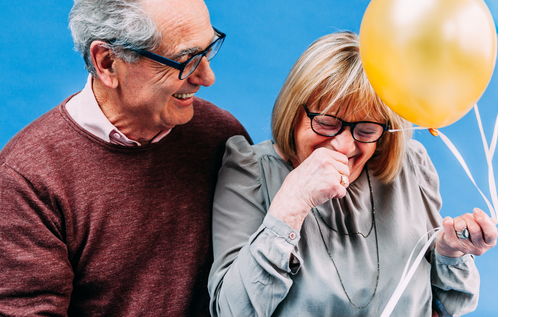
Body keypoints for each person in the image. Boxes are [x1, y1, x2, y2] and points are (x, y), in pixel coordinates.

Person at [0, 0, 251, 317]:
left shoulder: (221, 136)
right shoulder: (26, 180)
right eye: (186, 60)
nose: (207, 77)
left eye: (208, 50)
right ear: (107, 62)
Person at [208, 31, 496, 317]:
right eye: (326, 123)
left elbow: (450, 307)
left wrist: (450, 252)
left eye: (366, 130)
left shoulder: (411, 166)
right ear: (293, 111)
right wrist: (290, 206)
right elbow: (232, 312)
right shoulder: (250, 171)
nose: (344, 146)